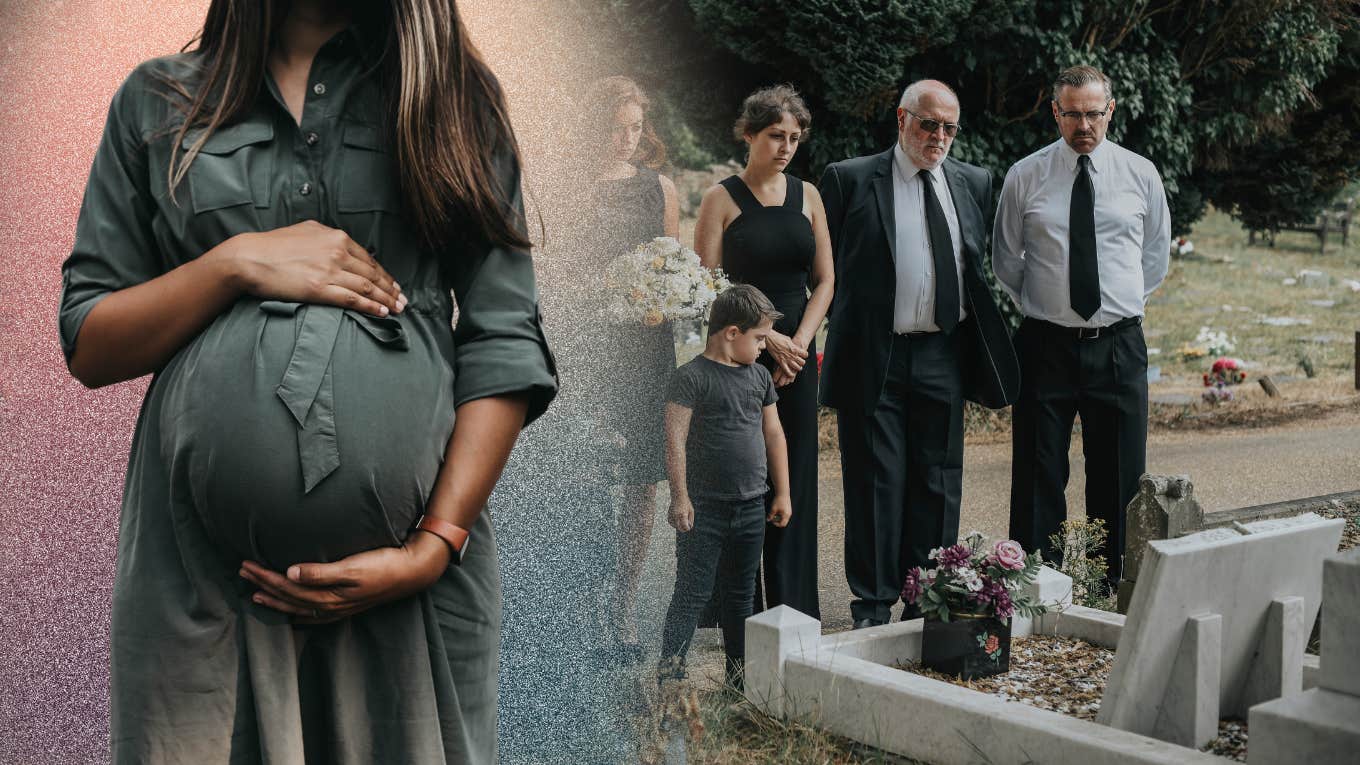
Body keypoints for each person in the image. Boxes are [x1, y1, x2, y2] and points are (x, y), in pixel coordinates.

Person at [57, 2, 555, 762]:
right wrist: (234, 263)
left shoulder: (452, 96)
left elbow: (504, 339)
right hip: (199, 591)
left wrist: (432, 545)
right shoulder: (155, 102)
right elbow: (91, 340)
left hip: (413, 589)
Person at [819, 79, 1019, 629]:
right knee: (874, 480)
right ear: (902, 118)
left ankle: (927, 594)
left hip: (943, 354)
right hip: (874, 354)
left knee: (938, 478)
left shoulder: (974, 182)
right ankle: (872, 604)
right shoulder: (851, 178)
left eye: (950, 127)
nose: (939, 137)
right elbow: (824, 271)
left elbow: (978, 269)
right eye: (929, 124)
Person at [993, 65, 1170, 587]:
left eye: (1094, 113)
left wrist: (1119, 304)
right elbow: (1007, 259)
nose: (1084, 125)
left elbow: (1154, 257)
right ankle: (1034, 586)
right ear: (1056, 113)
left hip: (1118, 343)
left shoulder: (1141, 174)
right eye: (1073, 114)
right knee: (1037, 471)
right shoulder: (1026, 175)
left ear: (1110, 111)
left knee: (1118, 473)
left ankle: (1109, 582)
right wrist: (1050, 305)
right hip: (1045, 344)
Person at [693, 84, 832, 621]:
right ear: (749, 135)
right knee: (744, 474)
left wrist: (798, 344)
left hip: (797, 359)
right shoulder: (719, 199)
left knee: (793, 470)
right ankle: (739, 609)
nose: (786, 147)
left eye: (795, 137)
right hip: (740, 357)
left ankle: (795, 606)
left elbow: (825, 281)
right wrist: (766, 335)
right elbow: (706, 287)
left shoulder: (810, 196)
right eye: (776, 135)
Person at [657, 284, 792, 690]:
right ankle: (670, 678)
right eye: (760, 338)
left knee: (741, 596)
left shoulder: (758, 378)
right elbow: (674, 440)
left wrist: (782, 492)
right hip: (705, 510)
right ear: (731, 333)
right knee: (692, 593)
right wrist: (679, 496)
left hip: (751, 506)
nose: (764, 347)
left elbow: (774, 435)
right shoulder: (690, 378)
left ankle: (739, 680)